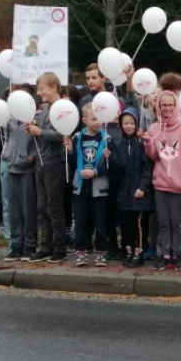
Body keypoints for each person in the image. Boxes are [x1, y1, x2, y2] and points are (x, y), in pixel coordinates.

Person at [143, 88, 181, 270]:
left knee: (177, 221)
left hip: (178, 184)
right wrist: (148, 142)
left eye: (170, 105)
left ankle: (177, 253)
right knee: (163, 221)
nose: (167, 108)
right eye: (164, 105)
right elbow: (153, 156)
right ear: (158, 106)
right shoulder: (154, 128)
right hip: (160, 183)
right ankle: (165, 254)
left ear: (176, 106)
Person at [28, 73, 69, 264]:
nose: (39, 92)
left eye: (42, 88)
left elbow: (61, 134)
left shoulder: (62, 108)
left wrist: (40, 132)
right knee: (41, 207)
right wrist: (32, 129)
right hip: (40, 162)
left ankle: (59, 247)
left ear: (53, 87)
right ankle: (46, 246)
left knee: (54, 207)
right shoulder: (43, 110)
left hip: (54, 163)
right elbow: (40, 134)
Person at [112, 107, 153, 267]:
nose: (128, 126)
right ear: (121, 125)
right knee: (126, 223)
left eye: (131, 123)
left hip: (139, 192)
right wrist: (111, 159)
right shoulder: (118, 144)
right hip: (124, 192)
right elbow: (118, 169)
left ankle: (139, 252)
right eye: (125, 123)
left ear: (136, 124)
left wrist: (142, 187)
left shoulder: (142, 144)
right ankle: (128, 251)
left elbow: (147, 168)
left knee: (139, 225)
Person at [71, 104, 111, 267]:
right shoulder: (77, 138)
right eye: (94, 118)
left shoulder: (106, 139)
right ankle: (81, 250)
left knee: (100, 220)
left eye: (100, 118)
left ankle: (101, 251)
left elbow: (110, 166)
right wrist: (68, 151)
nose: (98, 122)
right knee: (81, 220)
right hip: (80, 186)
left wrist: (96, 171)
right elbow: (72, 162)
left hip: (99, 186)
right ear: (84, 120)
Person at [3, 97, 37, 262]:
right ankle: (16, 245)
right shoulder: (9, 121)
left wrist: (31, 158)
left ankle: (30, 246)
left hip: (27, 170)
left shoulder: (32, 120)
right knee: (13, 210)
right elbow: (8, 140)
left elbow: (39, 145)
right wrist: (6, 153)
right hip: (11, 168)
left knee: (28, 210)